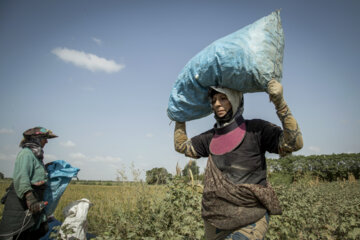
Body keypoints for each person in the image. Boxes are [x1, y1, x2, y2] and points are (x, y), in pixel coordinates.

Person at [174, 80, 303, 240]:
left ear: (235, 99)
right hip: (215, 222)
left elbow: (294, 143)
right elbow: (182, 146)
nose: (217, 104)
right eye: (214, 100)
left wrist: (279, 102)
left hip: (250, 218)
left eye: (223, 98)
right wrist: (179, 118)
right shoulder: (210, 137)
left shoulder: (256, 129)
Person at [0, 127, 58, 240]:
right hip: (20, 203)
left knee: (32, 231)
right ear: (36, 139)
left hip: (30, 203)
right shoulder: (26, 154)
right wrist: (30, 198)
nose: (46, 141)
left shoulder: (36, 157)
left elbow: (35, 176)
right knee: (14, 234)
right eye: (45, 138)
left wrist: (45, 169)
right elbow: (21, 178)